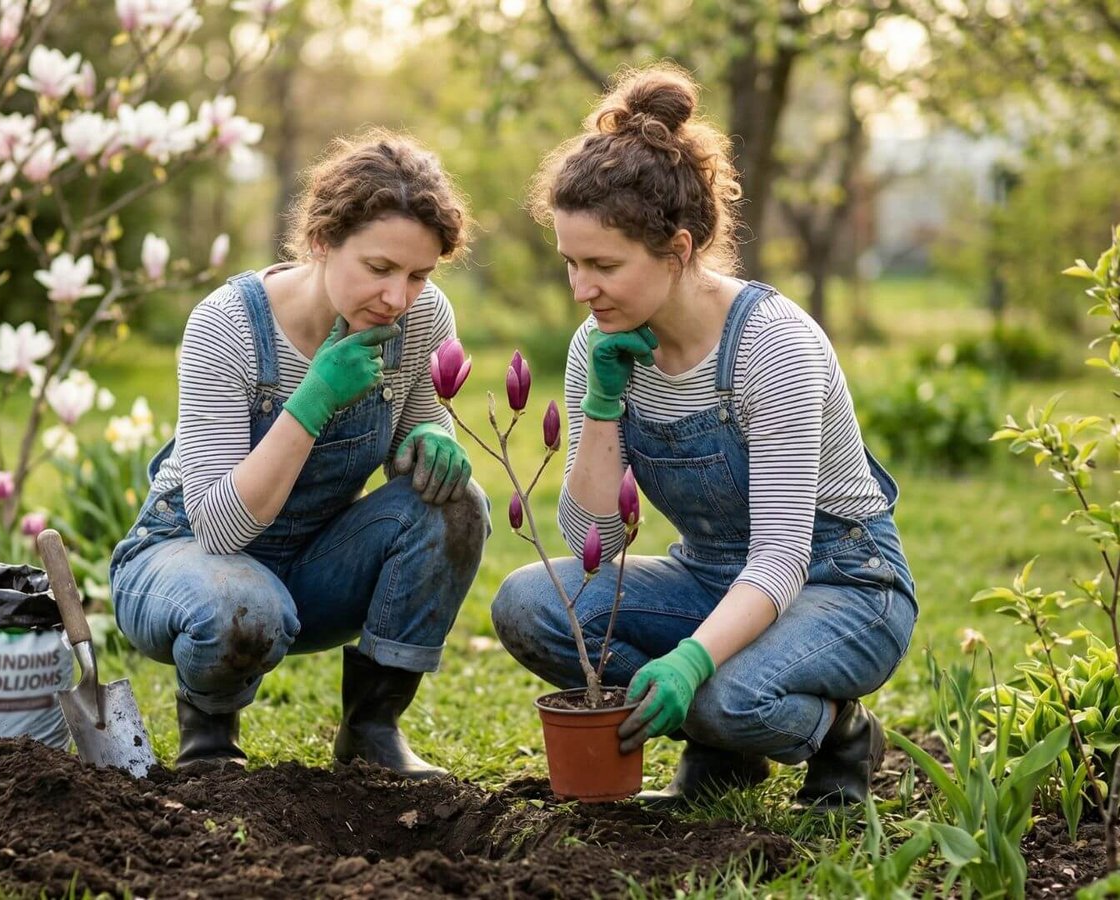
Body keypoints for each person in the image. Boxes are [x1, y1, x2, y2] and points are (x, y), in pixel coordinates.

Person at [490, 65, 917, 811]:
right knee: (532, 605)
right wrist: (600, 407)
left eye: (604, 265)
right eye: (571, 263)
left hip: (841, 583)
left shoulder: (771, 347)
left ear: (678, 250)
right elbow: (595, 546)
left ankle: (840, 731)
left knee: (726, 698)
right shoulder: (604, 341)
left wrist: (692, 660)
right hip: (712, 574)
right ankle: (726, 749)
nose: (581, 289)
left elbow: (782, 560)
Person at [110, 130, 490, 779]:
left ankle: (373, 730)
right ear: (321, 241)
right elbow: (220, 527)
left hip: (316, 561)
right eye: (378, 269)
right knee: (241, 602)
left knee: (454, 504)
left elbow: (417, 440)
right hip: (188, 561)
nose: (398, 297)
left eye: (419, 275)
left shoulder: (422, 318)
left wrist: (433, 443)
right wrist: (313, 400)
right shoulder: (226, 325)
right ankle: (209, 730)